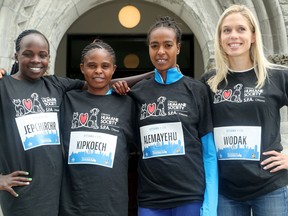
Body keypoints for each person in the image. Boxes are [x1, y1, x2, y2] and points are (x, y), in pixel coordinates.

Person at [113, 16, 218, 216]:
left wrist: (210, 205)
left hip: (190, 195)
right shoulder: (138, 93)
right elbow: (100, 89)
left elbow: (209, 152)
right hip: (150, 198)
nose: (160, 51)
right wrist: (125, 84)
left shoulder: (197, 90)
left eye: (167, 45)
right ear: (149, 48)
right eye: (154, 45)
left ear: (178, 47)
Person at [200, 4, 288, 216]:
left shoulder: (277, 77)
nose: (233, 36)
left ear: (254, 36)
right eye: (226, 30)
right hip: (225, 190)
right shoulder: (209, 82)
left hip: (270, 186)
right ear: (220, 37)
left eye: (241, 29)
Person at [0, 29, 85, 216]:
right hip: (21, 195)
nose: (36, 60)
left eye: (43, 55)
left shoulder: (55, 85)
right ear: (16, 56)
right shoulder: (3, 87)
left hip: (56, 193)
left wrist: (151, 77)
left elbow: (99, 84)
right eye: (28, 54)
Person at [59, 39, 137, 215]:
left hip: (111, 204)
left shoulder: (127, 104)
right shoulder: (67, 100)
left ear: (114, 70)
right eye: (92, 65)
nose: (98, 71)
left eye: (105, 66)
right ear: (82, 68)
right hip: (72, 204)